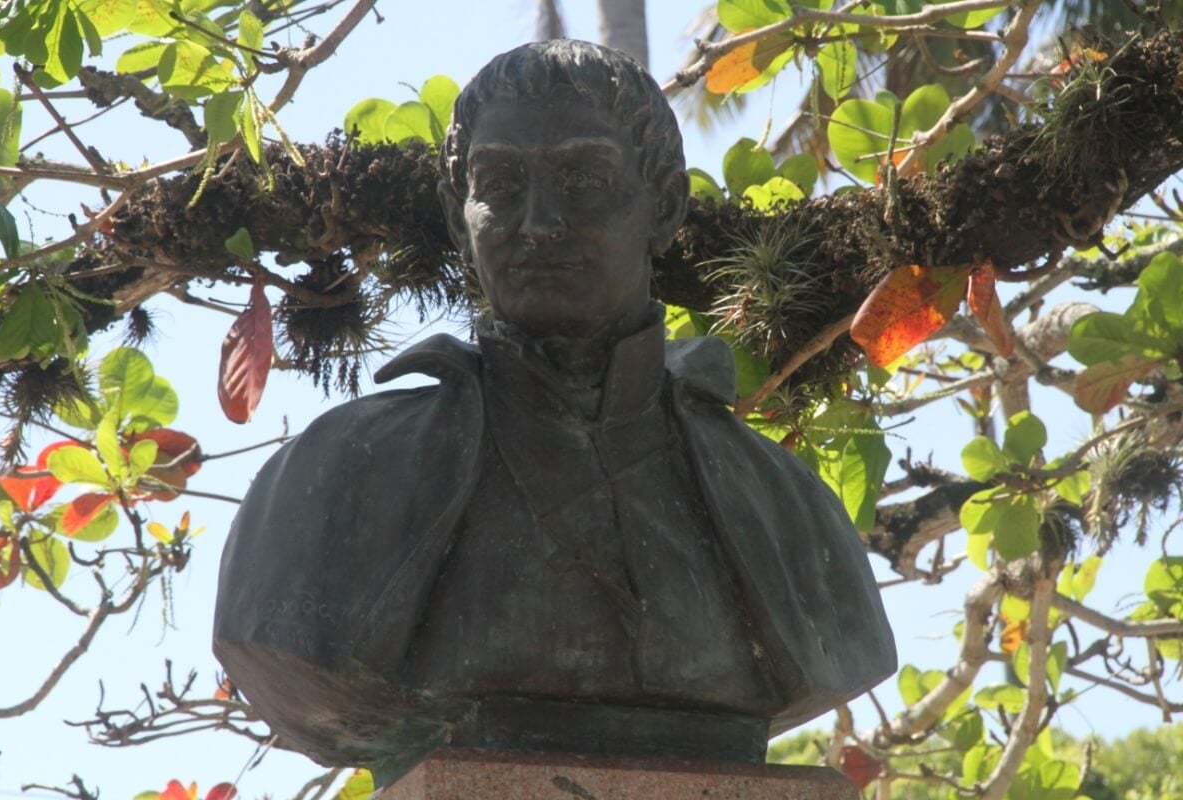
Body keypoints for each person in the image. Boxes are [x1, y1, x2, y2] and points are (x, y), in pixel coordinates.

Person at [214, 39, 895, 787]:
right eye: (500, 184)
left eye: (584, 179)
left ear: (663, 205)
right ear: (458, 212)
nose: (538, 223)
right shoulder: (334, 480)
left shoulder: (792, 513)